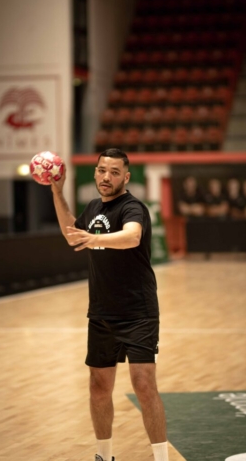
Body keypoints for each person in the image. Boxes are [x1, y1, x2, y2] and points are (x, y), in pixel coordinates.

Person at [51, 148, 168, 461]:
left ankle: (162, 458)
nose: (106, 177)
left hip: (138, 311)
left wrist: (93, 239)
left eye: (114, 172)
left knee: (143, 384)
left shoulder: (133, 207)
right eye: (102, 170)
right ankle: (104, 455)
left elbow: (131, 237)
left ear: (126, 177)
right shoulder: (92, 207)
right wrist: (57, 192)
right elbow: (72, 235)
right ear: (95, 172)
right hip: (102, 313)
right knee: (98, 386)